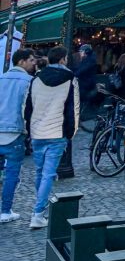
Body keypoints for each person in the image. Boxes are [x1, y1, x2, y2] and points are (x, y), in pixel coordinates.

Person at [24, 45, 80, 229]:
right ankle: (38, 212)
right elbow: (73, 108)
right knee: (48, 174)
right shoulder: (70, 79)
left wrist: (28, 128)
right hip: (57, 132)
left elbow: (27, 107)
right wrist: (71, 132)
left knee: (41, 172)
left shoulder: (36, 79)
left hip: (37, 132)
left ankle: (41, 207)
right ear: (63, 59)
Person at [0, 48, 37, 223]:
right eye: (31, 60)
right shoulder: (30, 81)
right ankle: (5, 210)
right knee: (12, 173)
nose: (34, 63)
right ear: (21, 61)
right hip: (15, 131)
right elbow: (29, 108)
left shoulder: (1, 78)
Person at [74, 44, 99, 111]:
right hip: (85, 83)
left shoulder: (90, 60)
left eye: (81, 51)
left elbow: (82, 70)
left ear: (86, 52)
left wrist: (74, 74)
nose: (80, 53)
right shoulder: (86, 59)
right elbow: (78, 68)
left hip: (87, 84)